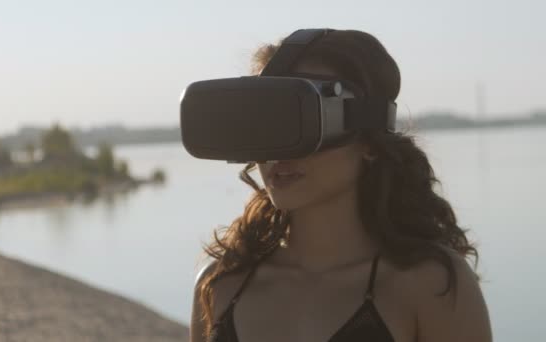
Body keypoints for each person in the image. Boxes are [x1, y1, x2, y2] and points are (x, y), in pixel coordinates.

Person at [190, 29, 492, 342]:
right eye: (267, 123)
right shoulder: (219, 283)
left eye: (303, 120)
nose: (281, 152)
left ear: (370, 142)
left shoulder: (429, 285)